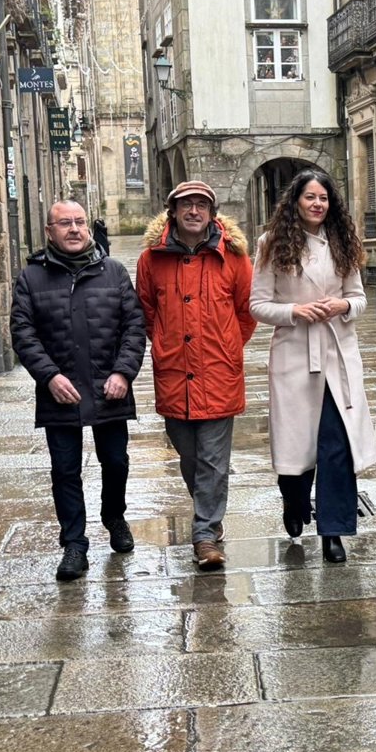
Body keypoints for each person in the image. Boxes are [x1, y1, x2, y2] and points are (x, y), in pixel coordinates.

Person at [11, 200, 146, 581]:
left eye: (80, 222)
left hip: (109, 387)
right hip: (60, 390)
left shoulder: (113, 271)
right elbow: (23, 333)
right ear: (49, 231)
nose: (73, 229)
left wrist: (123, 373)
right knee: (65, 470)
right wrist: (49, 377)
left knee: (116, 461)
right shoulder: (31, 277)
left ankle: (114, 515)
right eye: (64, 223)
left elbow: (134, 327)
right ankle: (74, 542)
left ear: (88, 227)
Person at [250, 169, 376, 564]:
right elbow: (258, 305)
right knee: (298, 445)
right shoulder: (271, 244)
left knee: (336, 444)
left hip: (338, 354)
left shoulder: (343, 241)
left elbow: (359, 298)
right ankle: (293, 499)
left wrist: (343, 305)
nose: (317, 204)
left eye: (323, 197)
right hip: (294, 354)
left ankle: (333, 530)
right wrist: (295, 311)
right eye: (310, 197)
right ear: (296, 201)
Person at [137, 181, 256, 571]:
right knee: (189, 456)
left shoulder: (234, 257)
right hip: (174, 372)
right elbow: (146, 311)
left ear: (212, 213)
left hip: (219, 371)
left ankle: (205, 534)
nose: (193, 211)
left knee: (213, 460)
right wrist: (164, 343)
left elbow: (246, 310)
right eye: (186, 204)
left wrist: (226, 345)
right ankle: (209, 514)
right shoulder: (151, 260)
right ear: (172, 211)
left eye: (201, 205)